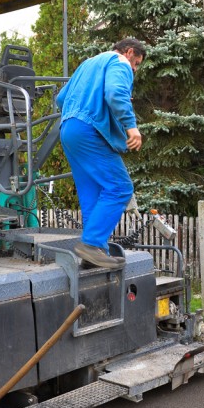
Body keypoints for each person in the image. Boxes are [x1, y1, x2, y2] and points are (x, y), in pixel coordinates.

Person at [56, 38, 146, 269]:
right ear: (129, 52)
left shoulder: (87, 64)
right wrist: (131, 127)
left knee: (92, 194)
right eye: (136, 63)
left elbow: (61, 99)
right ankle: (92, 243)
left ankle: (94, 254)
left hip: (68, 130)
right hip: (89, 131)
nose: (135, 69)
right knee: (120, 187)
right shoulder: (120, 62)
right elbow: (115, 93)